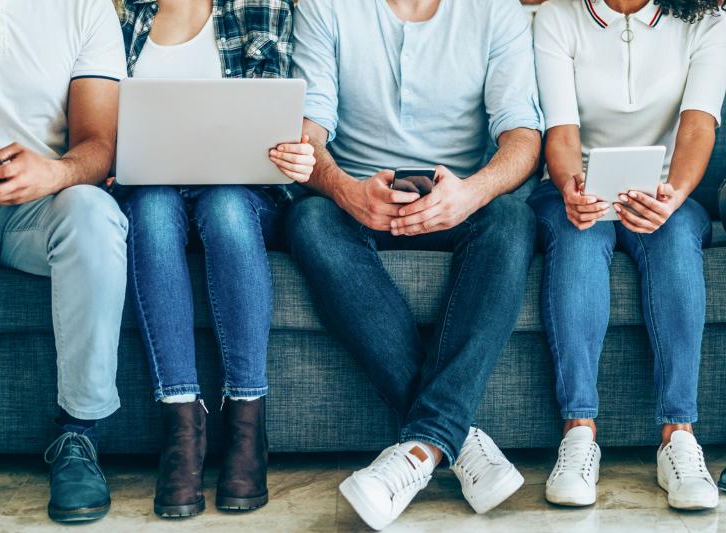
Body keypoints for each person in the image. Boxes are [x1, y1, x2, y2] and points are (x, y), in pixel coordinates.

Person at [288, 0, 544, 529]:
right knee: (309, 220)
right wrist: (347, 190)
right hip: (360, 198)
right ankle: (455, 439)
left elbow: (523, 137)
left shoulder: (497, 11)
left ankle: (420, 449)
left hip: (460, 200)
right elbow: (308, 133)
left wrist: (471, 193)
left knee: (513, 220)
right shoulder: (323, 7)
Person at [0, 0, 128, 525]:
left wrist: (55, 174)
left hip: (42, 212)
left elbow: (99, 144)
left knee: (94, 212)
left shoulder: (87, 9)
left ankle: (79, 438)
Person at [116, 0, 315, 519]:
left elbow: (274, 117)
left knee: (226, 206)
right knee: (152, 212)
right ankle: (182, 428)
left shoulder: (262, 7)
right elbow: (102, 119)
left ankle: (248, 427)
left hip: (241, 192)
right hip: (152, 189)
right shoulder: (122, 16)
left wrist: (289, 152)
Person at [529, 0, 726, 511]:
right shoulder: (557, 17)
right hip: (574, 188)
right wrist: (573, 187)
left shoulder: (706, 19)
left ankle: (678, 436)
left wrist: (673, 196)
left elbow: (699, 124)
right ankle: (578, 433)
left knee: (677, 242)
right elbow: (562, 130)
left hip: (665, 193)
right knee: (575, 242)